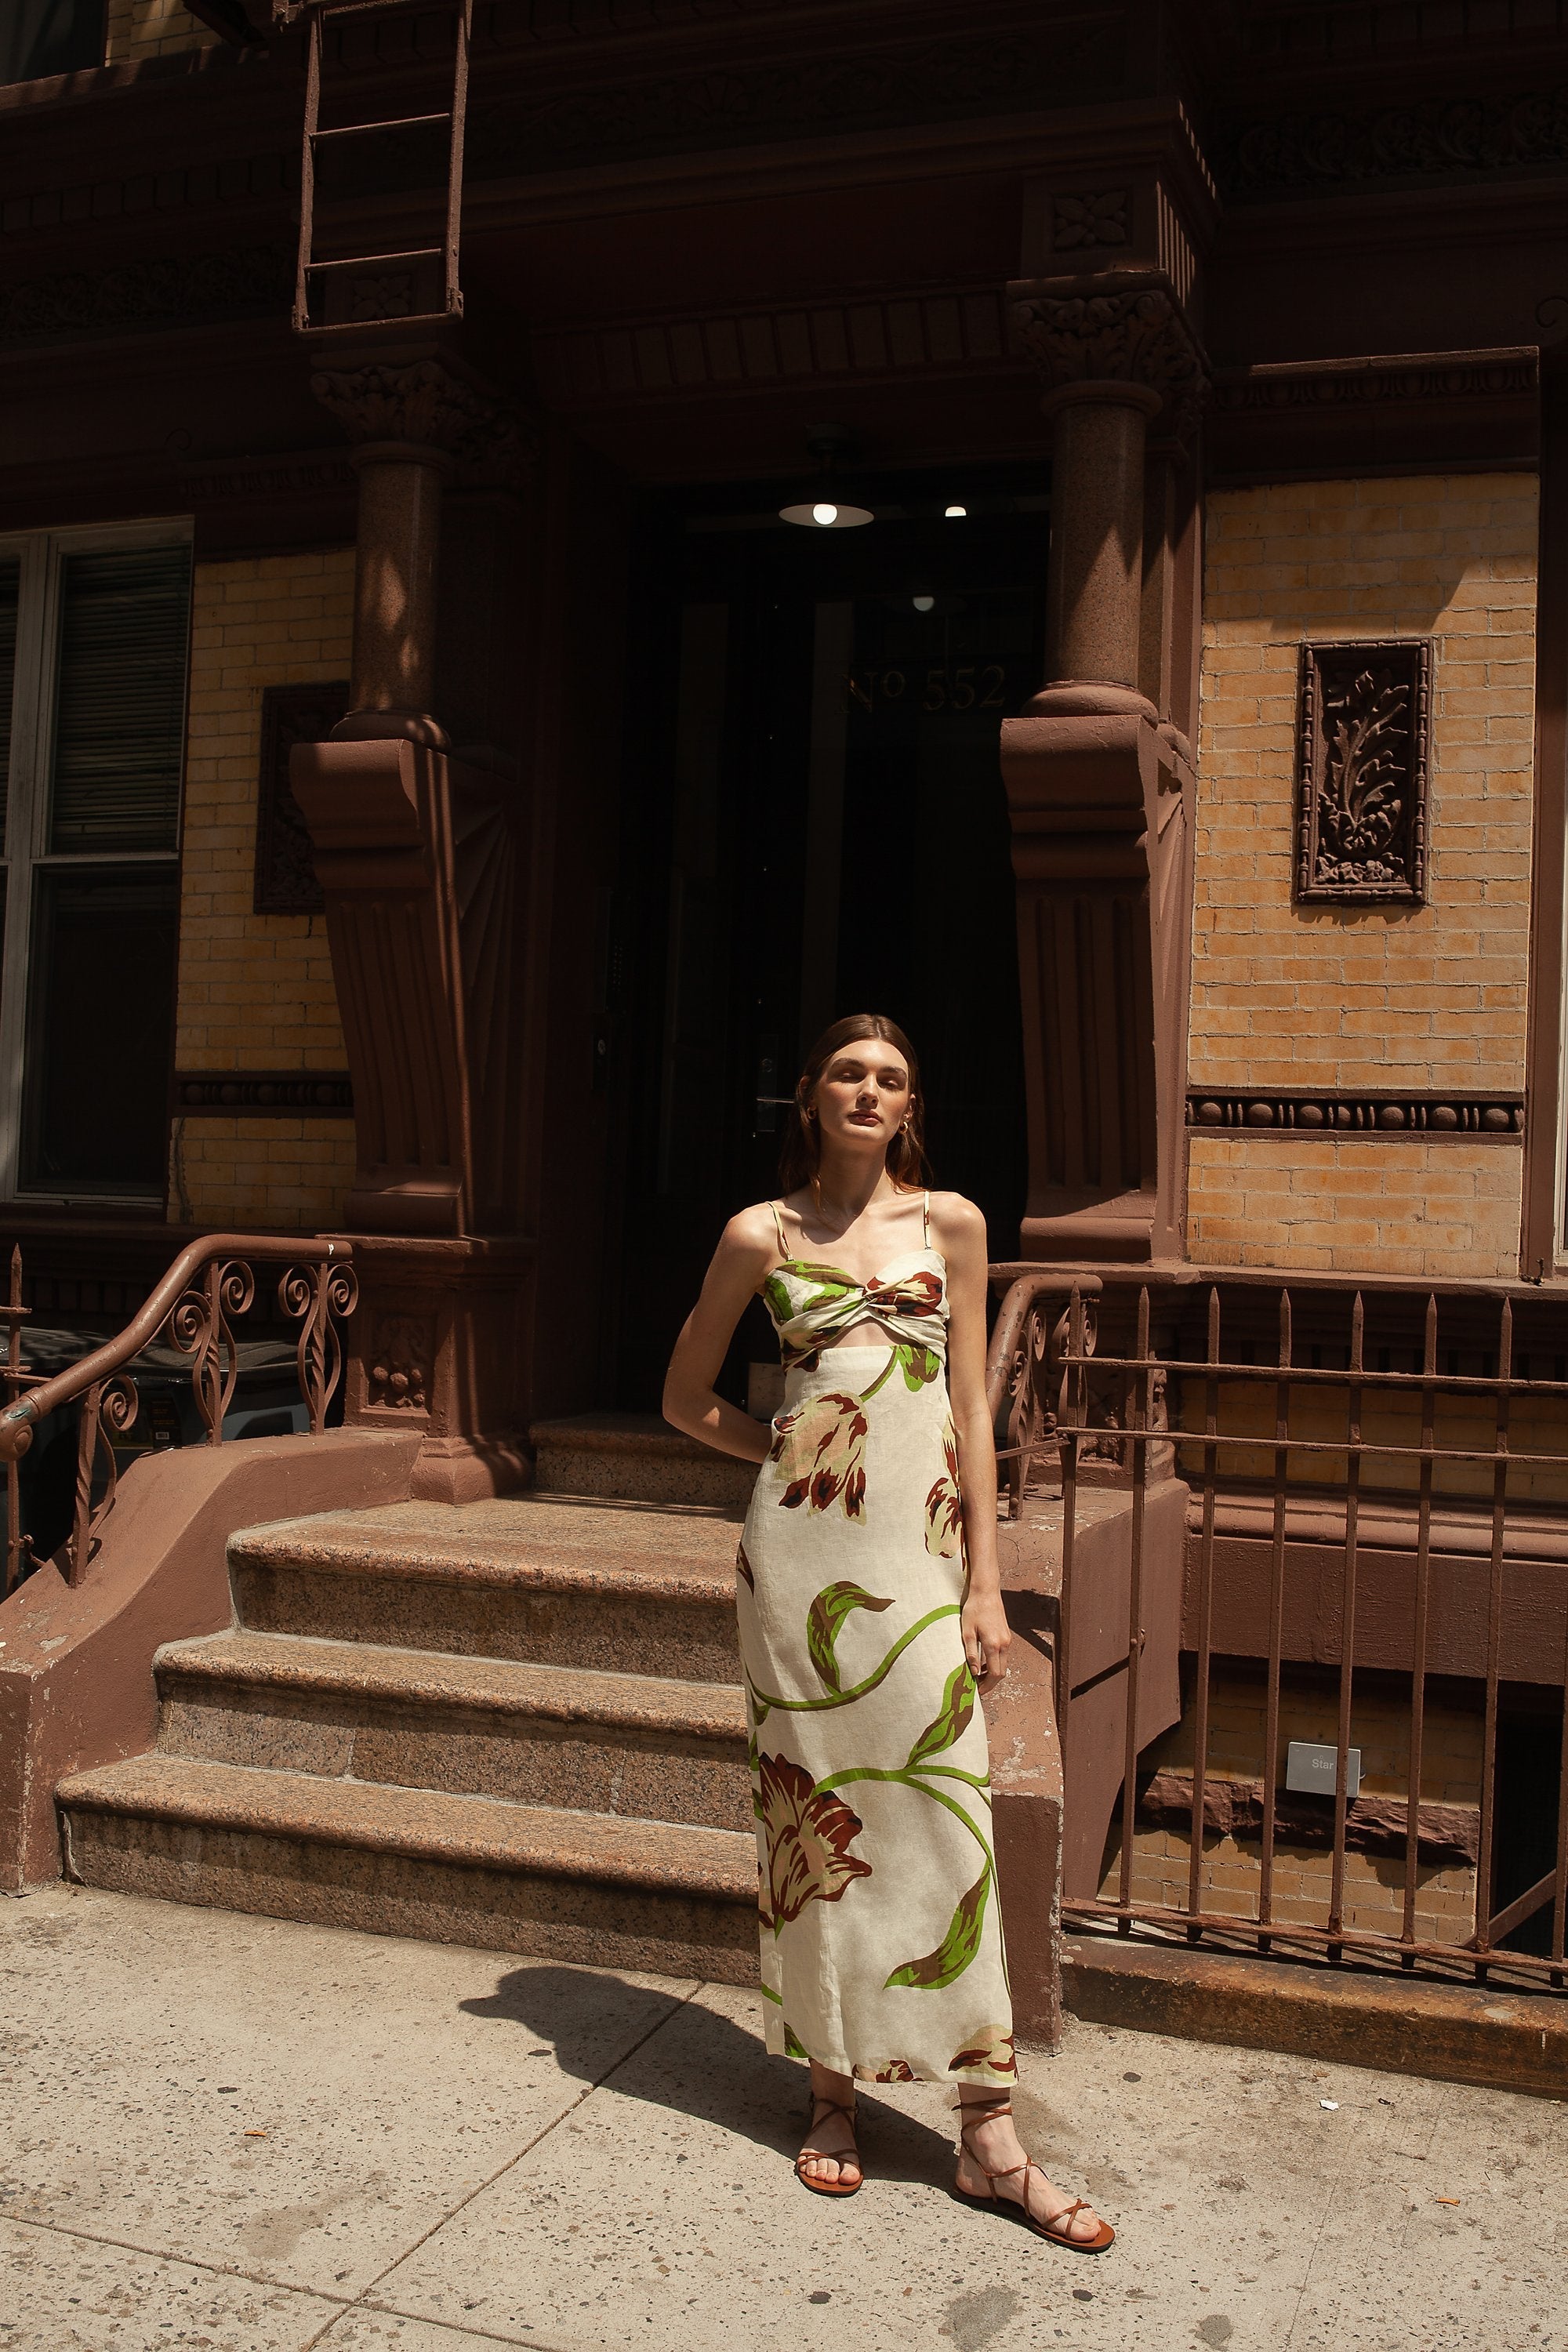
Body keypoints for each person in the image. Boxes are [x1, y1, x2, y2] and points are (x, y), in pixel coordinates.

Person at [663, 1013, 1113, 2251]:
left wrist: (986, 1585)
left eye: (893, 1079)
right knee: (814, 1827)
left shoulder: (951, 1223)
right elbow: (684, 1396)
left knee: (947, 1823)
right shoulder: (760, 1234)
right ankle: (832, 2095)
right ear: (812, 1094)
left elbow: (969, 1403)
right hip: (800, 1562)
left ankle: (988, 2131)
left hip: (921, 1561)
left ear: (911, 1108)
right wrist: (788, 1450)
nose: (871, 1091)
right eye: (851, 1074)